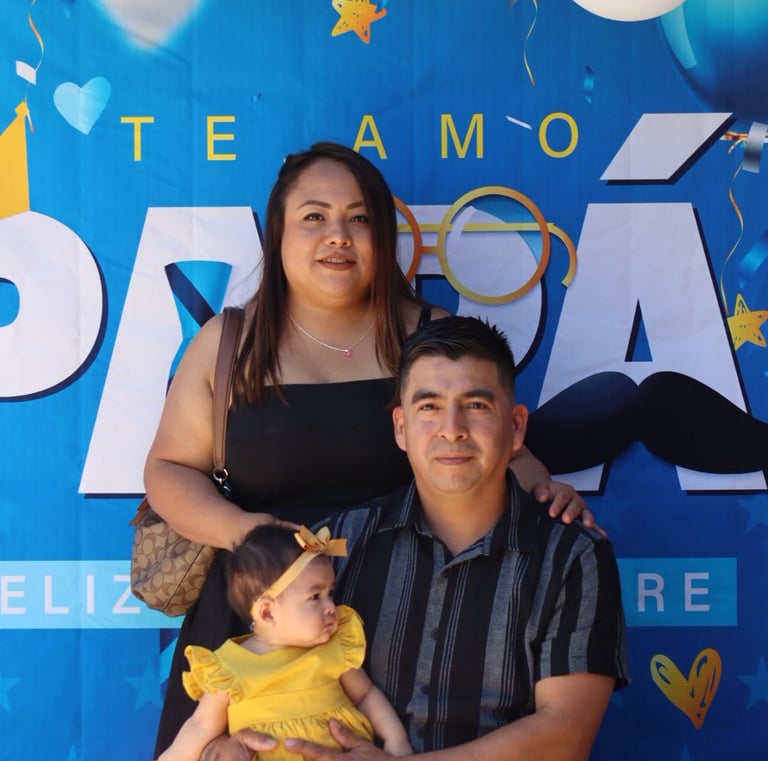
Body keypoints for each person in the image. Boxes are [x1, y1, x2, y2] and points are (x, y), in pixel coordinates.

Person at [143, 142, 594, 755]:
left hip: (395, 629)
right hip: (258, 627)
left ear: (383, 236)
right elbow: (168, 469)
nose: (338, 235)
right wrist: (249, 533)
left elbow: (498, 452)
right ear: (278, 233)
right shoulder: (229, 344)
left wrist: (547, 493)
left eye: (358, 218)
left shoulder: (430, 336)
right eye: (314, 216)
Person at [209, 316, 629, 761]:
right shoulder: (333, 546)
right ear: (401, 427)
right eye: (429, 407)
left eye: (476, 405)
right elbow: (249, 680)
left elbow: (565, 737)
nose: (452, 428)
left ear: (517, 427)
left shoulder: (572, 556)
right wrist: (223, 749)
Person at [155, 524, 412, 761]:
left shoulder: (334, 648)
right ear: (267, 612)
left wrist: (396, 742)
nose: (331, 607)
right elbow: (200, 725)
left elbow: (366, 695)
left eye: (330, 594)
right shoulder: (228, 668)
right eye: (315, 597)